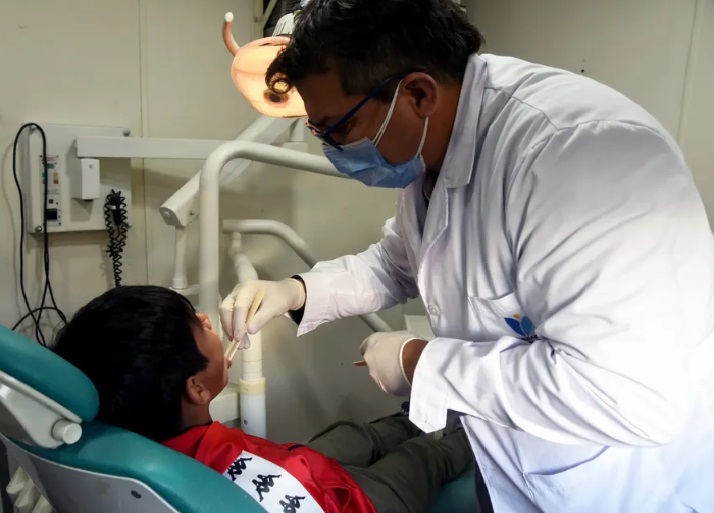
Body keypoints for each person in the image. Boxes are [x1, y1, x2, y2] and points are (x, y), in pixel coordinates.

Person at [219, 0, 714, 512]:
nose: (332, 149)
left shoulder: (581, 157)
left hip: (620, 485)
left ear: (417, 93)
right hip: (512, 457)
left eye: (338, 128)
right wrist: (296, 292)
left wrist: (421, 363)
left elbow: (626, 397)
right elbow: (398, 261)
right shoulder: (435, 148)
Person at [52, 286, 471, 513]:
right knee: (421, 456)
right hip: (348, 501)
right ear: (196, 389)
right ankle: (469, 431)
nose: (206, 318)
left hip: (290, 467)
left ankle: (415, 417)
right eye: (198, 326)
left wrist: (294, 290)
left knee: (355, 436)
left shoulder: (153, 436)